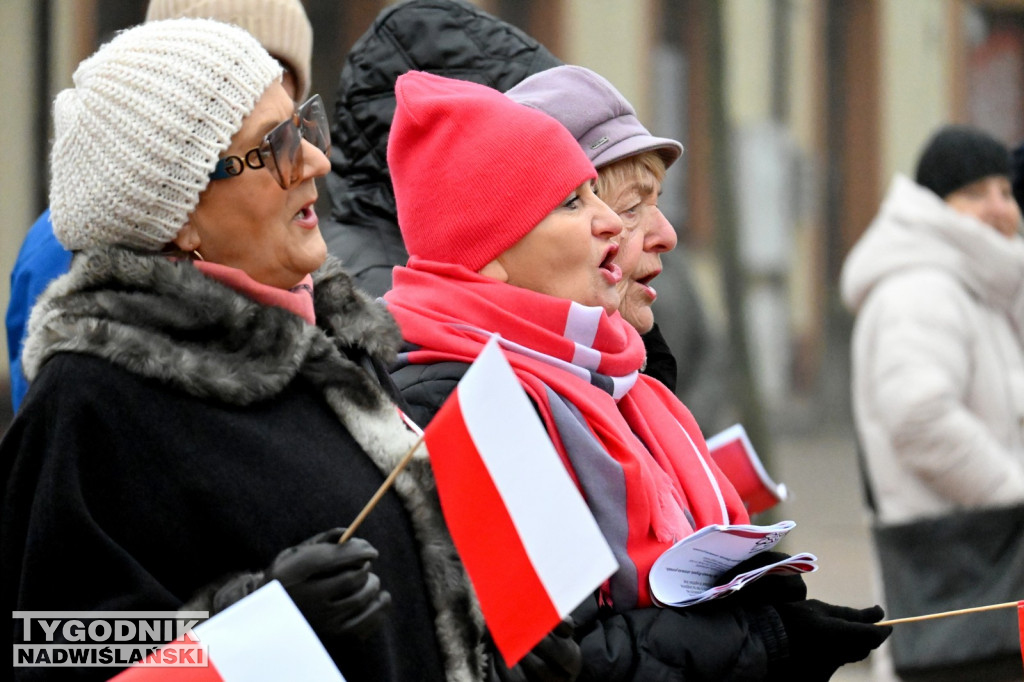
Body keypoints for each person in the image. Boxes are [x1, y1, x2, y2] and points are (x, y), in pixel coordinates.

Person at [0, 19, 483, 682]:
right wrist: (256, 621)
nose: (317, 161)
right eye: (275, 147)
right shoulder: (94, 396)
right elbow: (52, 648)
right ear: (180, 215)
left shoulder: (332, 340)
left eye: (304, 126)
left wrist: (480, 639)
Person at [383, 69, 891, 681]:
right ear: (491, 252)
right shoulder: (461, 398)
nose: (619, 228)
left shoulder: (616, 374)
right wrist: (757, 641)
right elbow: (559, 658)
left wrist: (752, 607)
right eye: (582, 201)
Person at [5, 0, 314, 412]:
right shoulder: (101, 388)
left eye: (281, 73)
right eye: (265, 141)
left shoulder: (319, 311)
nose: (314, 161)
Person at [842, 124, 1024, 681]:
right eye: (975, 194)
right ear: (935, 205)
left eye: (1004, 189)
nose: (998, 207)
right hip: (959, 578)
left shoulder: (970, 284)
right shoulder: (922, 291)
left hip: (973, 581)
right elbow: (920, 421)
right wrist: (1016, 494)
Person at [505, 64, 683, 390]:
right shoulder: (498, 396)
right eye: (630, 209)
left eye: (656, 204)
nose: (667, 237)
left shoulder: (636, 375)